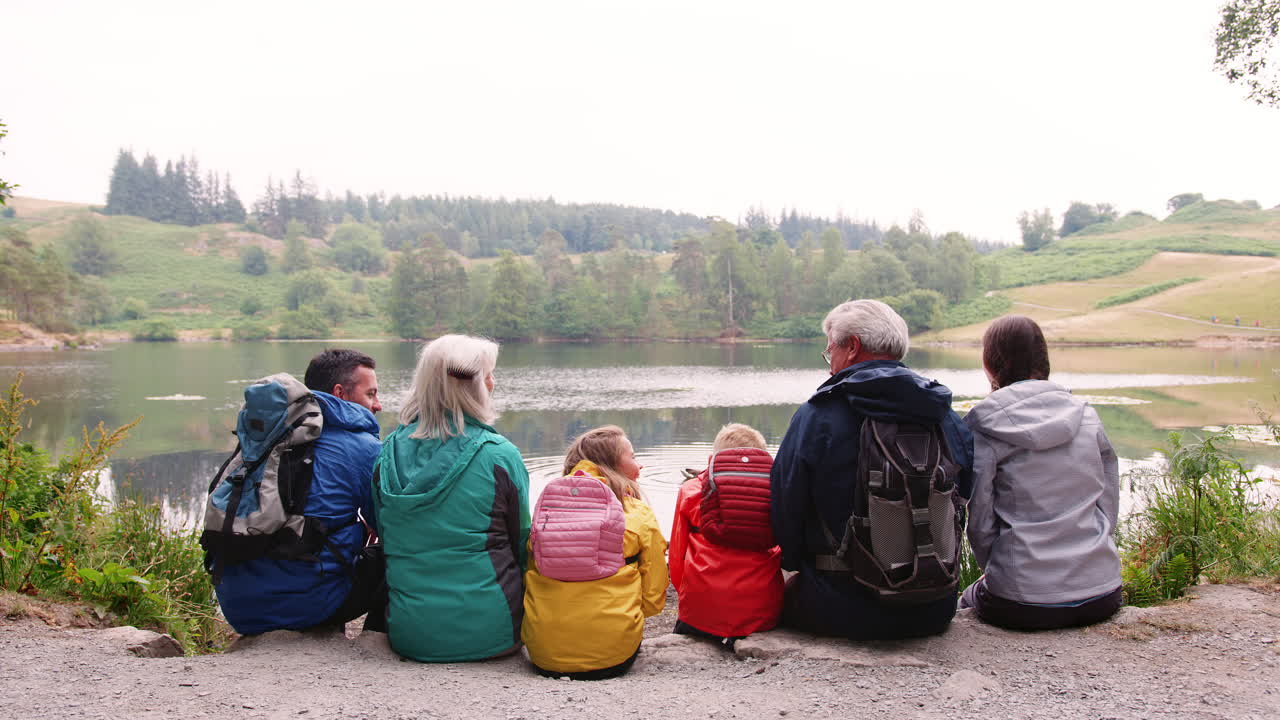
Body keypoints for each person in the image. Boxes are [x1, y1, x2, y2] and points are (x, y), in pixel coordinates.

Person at [770, 299, 974, 640]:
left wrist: (799, 565)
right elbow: (964, 498)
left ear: (852, 347)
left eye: (830, 349)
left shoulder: (817, 415)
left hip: (839, 609)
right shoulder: (944, 415)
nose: (829, 363)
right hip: (934, 609)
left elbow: (784, 512)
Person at [373, 335, 530, 662]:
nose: (493, 382)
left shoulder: (387, 452)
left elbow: (387, 535)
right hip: (494, 633)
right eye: (488, 374)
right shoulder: (499, 455)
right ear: (472, 387)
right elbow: (522, 543)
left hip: (410, 634)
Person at [960, 315, 1122, 630]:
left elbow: (979, 521)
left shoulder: (985, 428)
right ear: (1044, 360)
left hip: (1022, 600)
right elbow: (1109, 501)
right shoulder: (1087, 416)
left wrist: (994, 568)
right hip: (1102, 593)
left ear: (989, 365)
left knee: (965, 601)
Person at [214, 348, 385, 635]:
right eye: (371, 394)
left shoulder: (267, 437)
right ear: (340, 393)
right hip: (305, 608)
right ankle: (378, 643)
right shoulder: (362, 448)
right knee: (400, 553)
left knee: (326, 536)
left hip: (238, 608)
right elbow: (393, 526)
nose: (378, 405)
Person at [522, 425, 668, 679]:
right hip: (612, 654)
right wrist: (631, 613)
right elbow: (654, 593)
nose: (639, 465)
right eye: (632, 456)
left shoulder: (548, 510)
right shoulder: (636, 512)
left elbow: (530, 571)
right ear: (613, 466)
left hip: (544, 653)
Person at [669, 423, 782, 649]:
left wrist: (688, 595)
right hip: (761, 613)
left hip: (699, 613)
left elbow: (676, 557)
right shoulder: (777, 493)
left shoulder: (691, 490)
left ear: (712, 460)